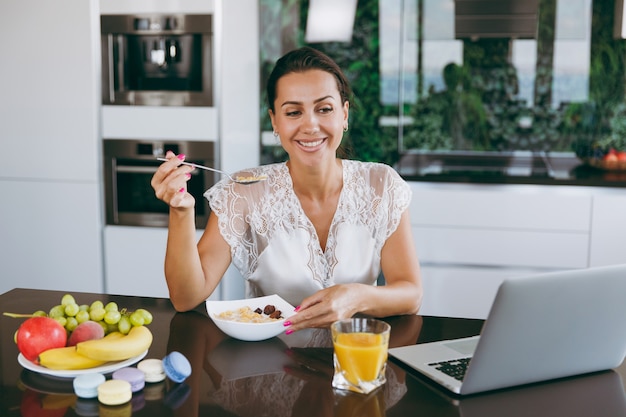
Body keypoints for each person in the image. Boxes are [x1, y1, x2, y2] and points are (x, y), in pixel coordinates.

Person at [151, 46, 422, 333]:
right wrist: (181, 211)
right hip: (268, 366)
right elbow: (185, 297)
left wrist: (355, 297)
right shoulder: (243, 192)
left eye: (324, 109)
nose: (310, 125)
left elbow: (410, 294)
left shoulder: (381, 185)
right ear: (275, 122)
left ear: (344, 115)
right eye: (293, 112)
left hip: (355, 362)